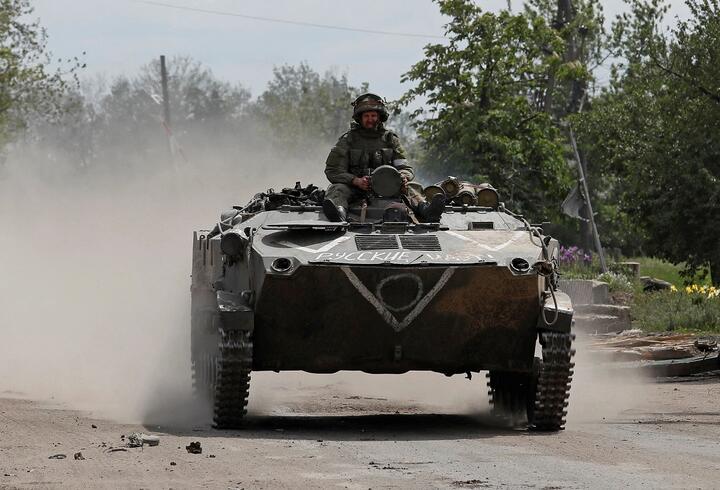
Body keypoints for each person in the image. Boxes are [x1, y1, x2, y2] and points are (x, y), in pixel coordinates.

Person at [322, 93, 444, 222]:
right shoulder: (348, 140)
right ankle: (338, 212)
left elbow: (404, 167)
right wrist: (356, 181)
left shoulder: (390, 140)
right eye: (366, 116)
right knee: (338, 189)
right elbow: (333, 170)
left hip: (389, 189)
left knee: (412, 187)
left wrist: (403, 177)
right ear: (360, 118)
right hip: (355, 190)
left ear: (380, 117)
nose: (370, 119)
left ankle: (426, 210)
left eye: (373, 115)